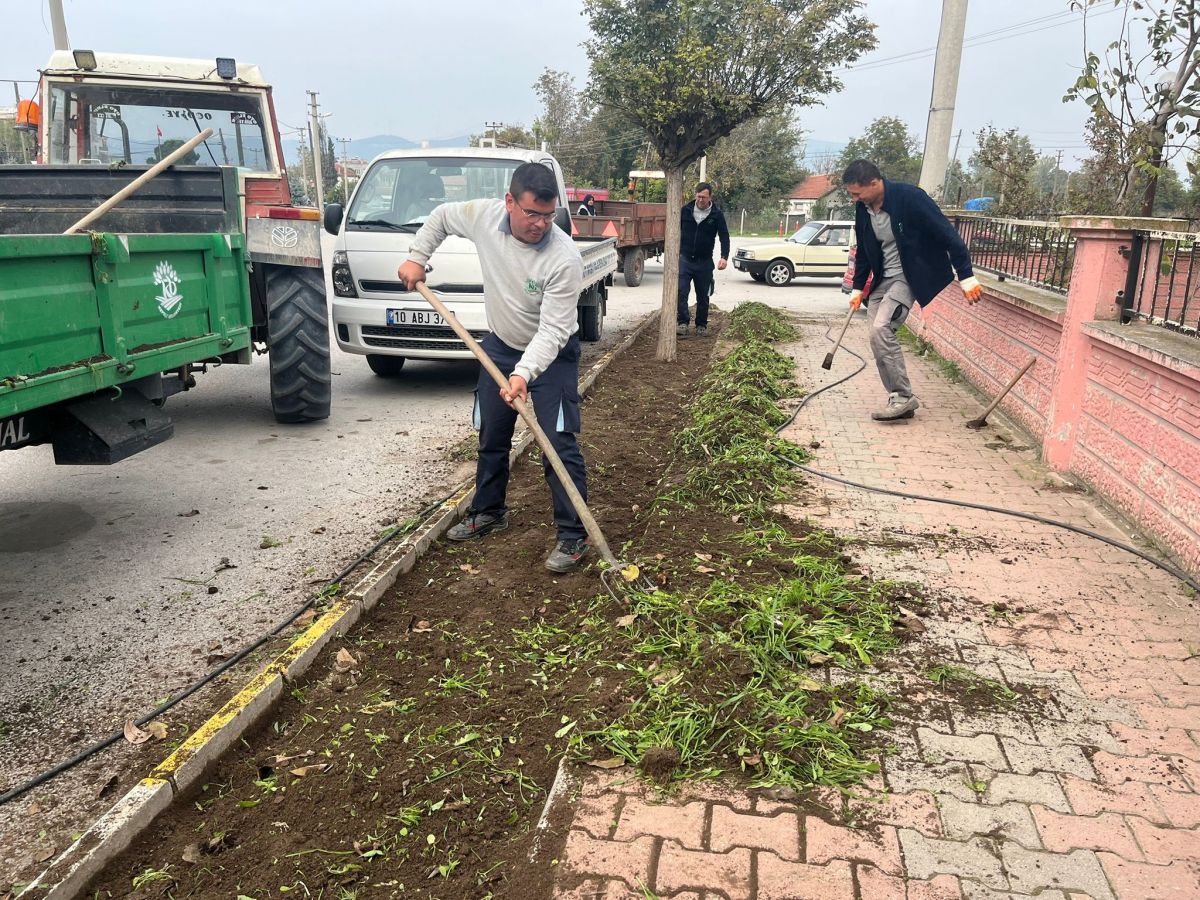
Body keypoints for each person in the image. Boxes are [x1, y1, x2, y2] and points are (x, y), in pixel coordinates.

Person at [397, 162, 591, 573]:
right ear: (509, 203)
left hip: (552, 356)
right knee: (492, 432)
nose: (540, 224)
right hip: (500, 346)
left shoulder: (563, 258)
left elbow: (553, 331)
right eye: (531, 214)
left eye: (548, 215)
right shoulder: (484, 217)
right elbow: (441, 217)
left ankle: (573, 535)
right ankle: (488, 512)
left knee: (557, 441)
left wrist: (523, 374)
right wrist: (417, 258)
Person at [843, 159, 982, 421]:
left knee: (882, 327)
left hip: (909, 276)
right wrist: (857, 288)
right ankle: (900, 397)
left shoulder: (911, 199)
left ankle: (903, 397)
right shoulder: (864, 209)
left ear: (874, 183)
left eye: (856, 193)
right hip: (882, 279)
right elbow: (863, 249)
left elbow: (949, 236)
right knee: (876, 337)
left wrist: (966, 276)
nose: (854, 199)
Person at [677, 182, 730, 337]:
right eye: (698, 196)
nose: (700, 200)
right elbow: (674, 231)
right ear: (695, 195)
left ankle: (701, 325)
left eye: (704, 197)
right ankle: (683, 323)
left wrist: (724, 257)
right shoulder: (685, 211)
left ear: (710, 197)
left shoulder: (716, 214)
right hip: (685, 259)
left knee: (703, 295)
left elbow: (724, 236)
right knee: (681, 292)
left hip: (704, 262)